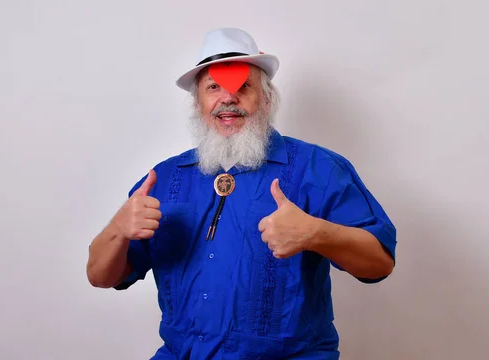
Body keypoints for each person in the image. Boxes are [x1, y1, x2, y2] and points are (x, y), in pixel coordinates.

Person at [86, 27, 397, 359]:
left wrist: (317, 233)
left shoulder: (318, 169)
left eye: (243, 87)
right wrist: (119, 228)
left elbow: (379, 263)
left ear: (266, 97)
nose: (228, 98)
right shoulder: (162, 179)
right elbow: (100, 275)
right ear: (198, 101)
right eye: (213, 87)